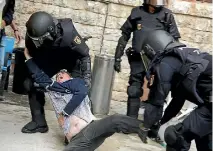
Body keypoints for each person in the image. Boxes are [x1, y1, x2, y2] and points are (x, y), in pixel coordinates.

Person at [23, 48, 144, 151]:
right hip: (77, 141)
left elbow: (81, 93)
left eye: (63, 73)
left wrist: (64, 113)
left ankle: (145, 128)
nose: (60, 74)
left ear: (69, 77)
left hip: (91, 130)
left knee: (116, 120)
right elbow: (39, 76)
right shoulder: (54, 88)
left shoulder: (76, 83)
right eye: (58, 75)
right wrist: (27, 57)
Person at [12, 11, 92, 134]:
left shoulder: (68, 32)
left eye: (42, 39)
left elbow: (84, 55)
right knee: (30, 83)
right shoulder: (32, 35)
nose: (38, 43)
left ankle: (81, 128)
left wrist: (86, 78)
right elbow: (32, 59)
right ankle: (39, 122)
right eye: (36, 40)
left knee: (80, 90)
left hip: (71, 60)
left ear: (52, 31)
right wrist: (41, 82)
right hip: (50, 60)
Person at [138, 29, 212, 151]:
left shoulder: (166, 62)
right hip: (209, 106)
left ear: (151, 49)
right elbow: (177, 101)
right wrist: (160, 123)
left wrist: (146, 126)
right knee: (202, 137)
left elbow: (158, 99)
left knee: (175, 136)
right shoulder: (184, 57)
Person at [113, 0, 181, 119]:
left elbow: (174, 41)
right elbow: (124, 36)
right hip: (138, 57)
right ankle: (130, 121)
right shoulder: (136, 13)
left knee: (158, 92)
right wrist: (117, 58)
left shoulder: (167, 15)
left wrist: (174, 63)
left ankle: (151, 125)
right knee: (134, 89)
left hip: (158, 59)